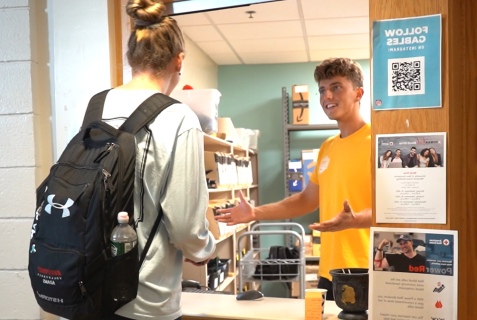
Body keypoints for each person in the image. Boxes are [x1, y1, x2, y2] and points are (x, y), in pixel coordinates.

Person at [83, 1, 216, 319]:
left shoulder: (96, 106)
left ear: (131, 58)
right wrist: (203, 249)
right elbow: (185, 227)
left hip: (89, 290)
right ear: (178, 60)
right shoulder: (179, 117)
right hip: (146, 302)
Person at [215, 58, 372, 301]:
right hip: (330, 271)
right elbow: (307, 200)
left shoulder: (379, 142)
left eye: (336, 87)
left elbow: (399, 211)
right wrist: (255, 213)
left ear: (358, 93)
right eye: (322, 89)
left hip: (367, 269)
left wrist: (355, 220)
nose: (326, 95)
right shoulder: (328, 147)